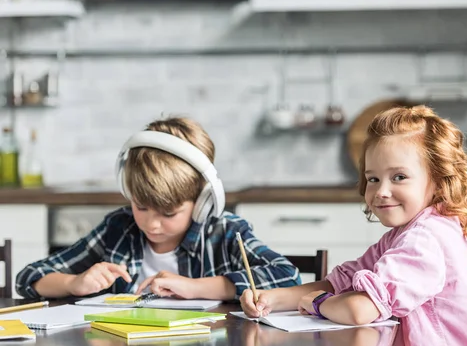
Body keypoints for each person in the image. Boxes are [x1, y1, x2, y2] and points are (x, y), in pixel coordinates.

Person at [240, 106, 467, 346]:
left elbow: (360, 309)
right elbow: (338, 284)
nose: (381, 191)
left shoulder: (426, 238)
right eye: (373, 179)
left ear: (437, 180)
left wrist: (318, 303)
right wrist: (272, 298)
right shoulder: (402, 235)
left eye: (399, 177)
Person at [16, 117, 301, 300]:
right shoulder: (120, 228)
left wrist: (196, 287)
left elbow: (287, 275)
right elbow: (29, 277)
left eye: (168, 213)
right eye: (141, 207)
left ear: (201, 202)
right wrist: (73, 283)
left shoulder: (223, 232)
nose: (152, 225)